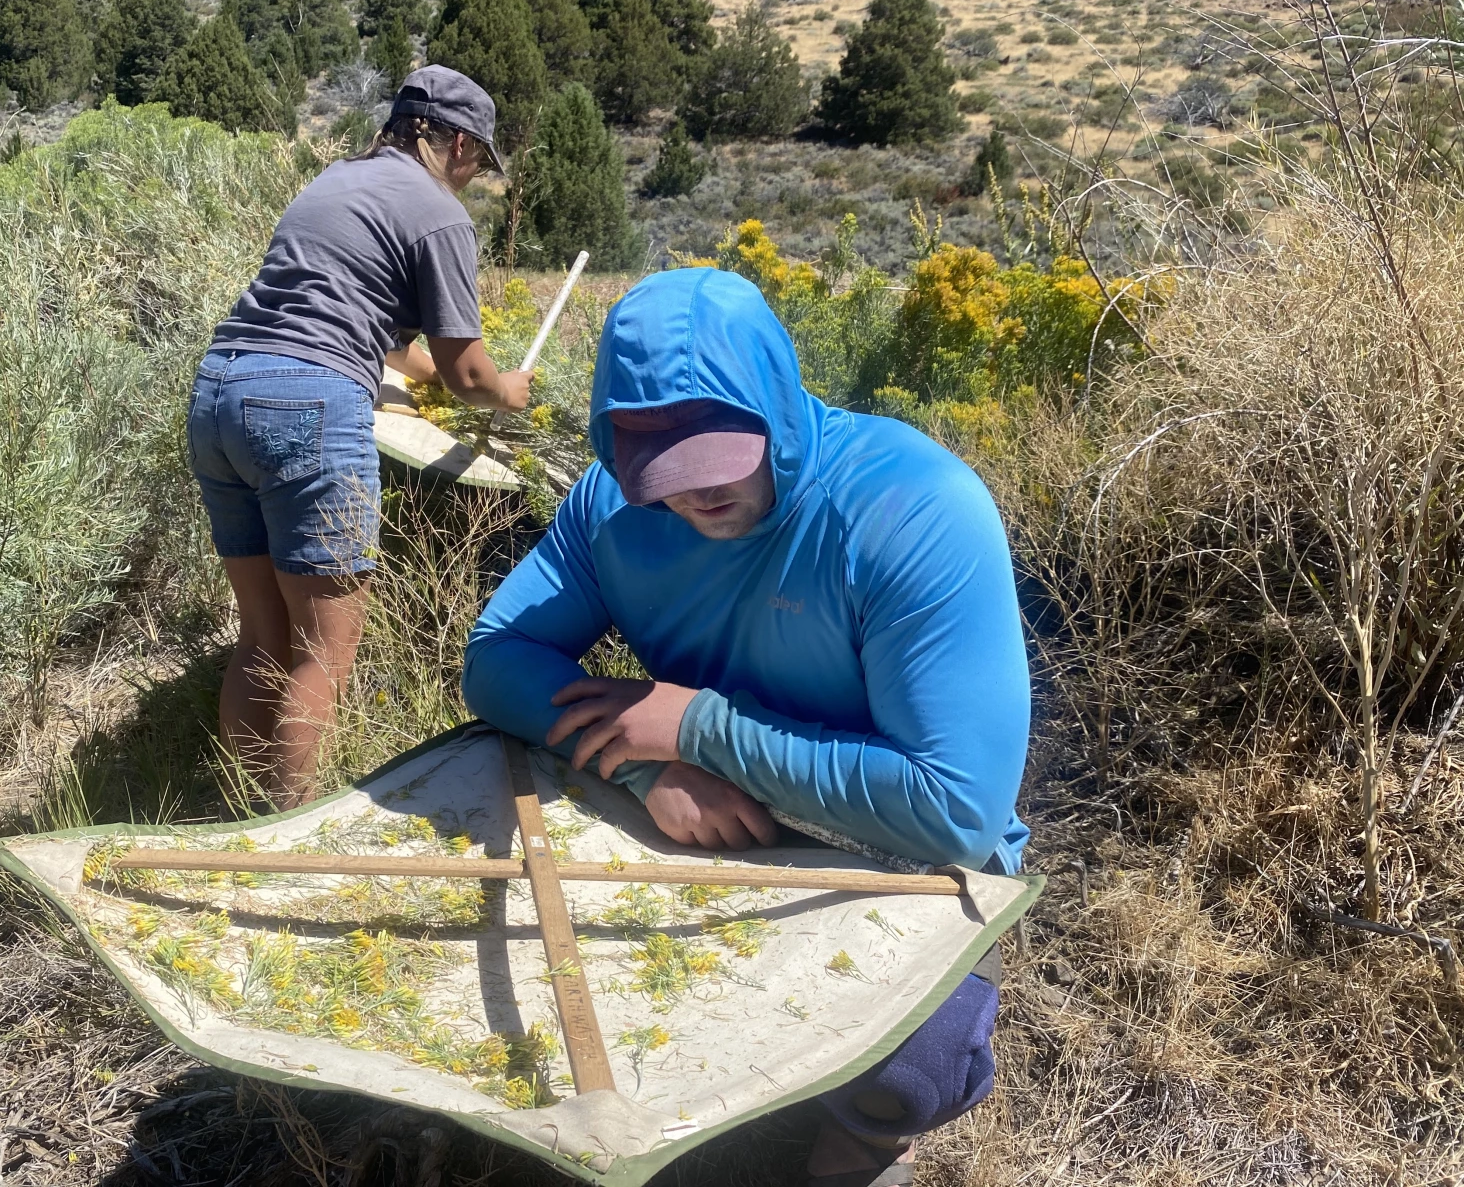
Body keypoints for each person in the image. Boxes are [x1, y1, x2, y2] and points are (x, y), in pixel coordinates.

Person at [462, 267, 1030, 1187]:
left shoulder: (912, 508)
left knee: (914, 1062)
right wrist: (646, 771)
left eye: (719, 463)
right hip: (699, 815)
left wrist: (702, 730)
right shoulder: (610, 507)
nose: (695, 498)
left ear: (777, 397)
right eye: (662, 477)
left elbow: (958, 811)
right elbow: (496, 659)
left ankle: (860, 1150)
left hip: (893, 852)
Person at [188, 65, 530, 807]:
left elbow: (367, 333)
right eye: (478, 164)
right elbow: (472, 374)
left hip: (220, 390)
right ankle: (287, 834)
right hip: (306, 405)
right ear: (460, 143)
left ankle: (234, 818)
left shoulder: (336, 182)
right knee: (325, 651)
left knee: (261, 635)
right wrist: (510, 392)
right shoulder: (438, 214)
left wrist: (433, 372)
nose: (472, 181)